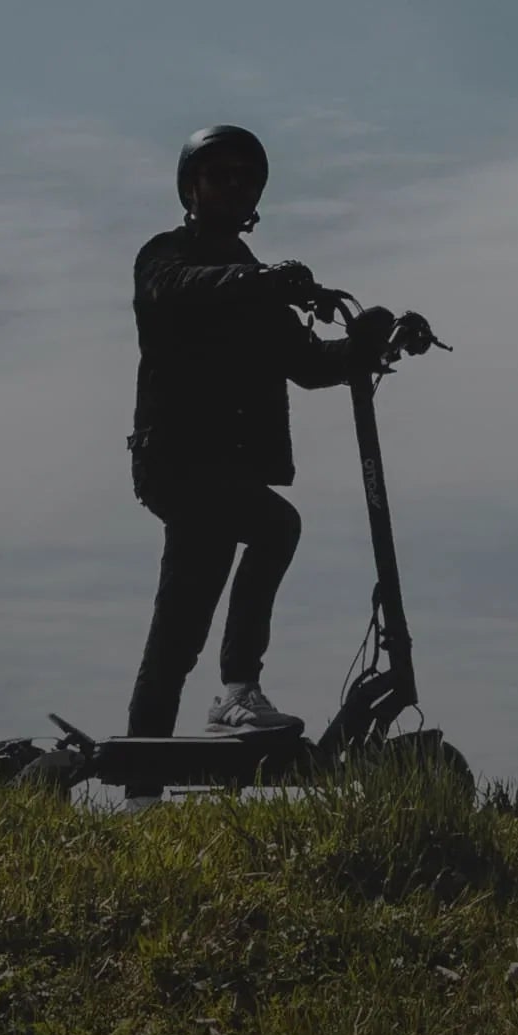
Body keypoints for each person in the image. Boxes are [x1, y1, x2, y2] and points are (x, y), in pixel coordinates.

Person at [119, 124, 368, 795]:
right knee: (275, 525)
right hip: (176, 462)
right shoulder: (166, 256)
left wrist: (368, 349)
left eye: (245, 177)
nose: (232, 186)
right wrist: (262, 278)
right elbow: (174, 291)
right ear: (190, 187)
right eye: (218, 175)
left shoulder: (260, 289)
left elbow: (307, 363)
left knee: (175, 638)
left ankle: (142, 791)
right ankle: (238, 688)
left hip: (227, 471)